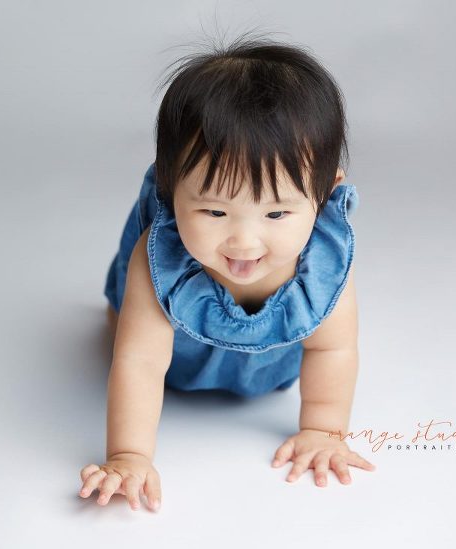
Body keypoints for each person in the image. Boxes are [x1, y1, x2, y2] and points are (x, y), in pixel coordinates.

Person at [79, 32, 376, 513]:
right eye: (214, 213)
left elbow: (333, 347)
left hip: (270, 372)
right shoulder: (162, 260)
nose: (243, 242)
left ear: (323, 196)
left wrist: (323, 430)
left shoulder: (323, 263)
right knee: (124, 331)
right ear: (173, 188)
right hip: (175, 364)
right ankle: (119, 313)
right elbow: (140, 362)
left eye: (276, 215)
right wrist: (129, 456)